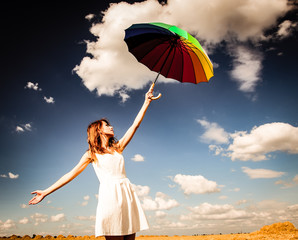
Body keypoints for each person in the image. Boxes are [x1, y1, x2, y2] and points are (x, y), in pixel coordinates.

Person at [29, 83, 161, 240]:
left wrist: (146, 102)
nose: (111, 127)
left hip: (126, 193)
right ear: (99, 130)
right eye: (107, 125)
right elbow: (71, 174)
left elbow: (135, 125)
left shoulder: (117, 148)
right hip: (110, 195)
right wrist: (45, 192)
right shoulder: (91, 154)